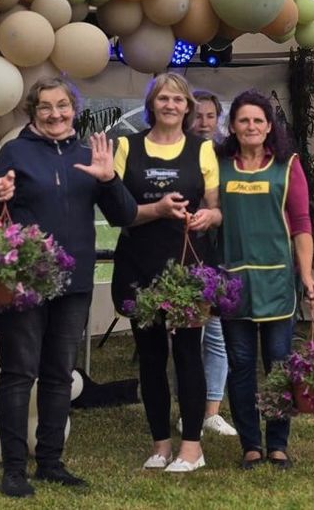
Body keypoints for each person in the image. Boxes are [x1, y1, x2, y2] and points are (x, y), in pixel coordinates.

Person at [0, 77, 137, 498]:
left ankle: (51, 462)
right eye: (46, 107)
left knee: (57, 375)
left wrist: (108, 179)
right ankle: (14, 469)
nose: (55, 114)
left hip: (75, 283)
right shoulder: (14, 152)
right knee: (18, 374)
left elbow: (124, 215)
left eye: (63, 105)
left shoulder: (89, 155)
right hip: (26, 283)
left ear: (75, 109)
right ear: (33, 112)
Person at [111, 73, 223, 474]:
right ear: (151, 104)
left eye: (178, 99)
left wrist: (208, 215)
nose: (171, 105)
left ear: (187, 107)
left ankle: (192, 447)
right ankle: (160, 444)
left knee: (189, 353)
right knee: (151, 356)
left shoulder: (203, 149)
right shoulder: (126, 146)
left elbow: (215, 208)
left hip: (188, 265)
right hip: (140, 263)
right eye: (163, 98)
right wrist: (156, 210)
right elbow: (118, 212)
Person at [217, 89, 314, 470]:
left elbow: (301, 224)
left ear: (269, 125)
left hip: (277, 281)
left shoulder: (287, 164)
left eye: (258, 120)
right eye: (243, 120)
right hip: (233, 282)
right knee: (241, 365)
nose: (251, 126)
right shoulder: (219, 164)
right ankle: (250, 445)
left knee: (277, 365)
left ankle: (277, 443)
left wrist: (306, 274)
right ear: (232, 126)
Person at [186, 88, 238, 438]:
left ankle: (211, 411)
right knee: (189, 332)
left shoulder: (227, 154)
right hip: (186, 248)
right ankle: (188, 406)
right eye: (198, 115)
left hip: (220, 252)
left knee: (218, 332)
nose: (204, 122)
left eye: (210, 115)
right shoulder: (178, 152)